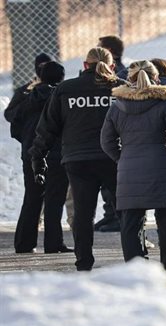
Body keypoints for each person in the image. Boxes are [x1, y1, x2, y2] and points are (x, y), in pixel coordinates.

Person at [101, 60, 166, 283]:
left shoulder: (117, 106)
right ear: (156, 78)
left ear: (130, 79)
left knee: (131, 223)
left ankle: (136, 273)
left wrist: (123, 158)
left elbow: (106, 141)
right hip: (162, 167)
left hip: (129, 170)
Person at [29, 47, 126, 271]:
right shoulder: (121, 89)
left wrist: (38, 156)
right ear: (112, 66)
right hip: (115, 158)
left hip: (77, 159)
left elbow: (47, 127)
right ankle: (136, 257)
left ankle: (84, 262)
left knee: (83, 213)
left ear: (85, 65)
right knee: (127, 210)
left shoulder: (66, 89)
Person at [9, 61, 72, 254]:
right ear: (61, 78)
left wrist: (28, 143)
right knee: (55, 198)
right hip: (56, 153)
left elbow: (14, 123)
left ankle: (23, 243)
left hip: (31, 153)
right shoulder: (61, 97)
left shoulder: (26, 97)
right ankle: (53, 243)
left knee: (32, 197)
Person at [94, 35, 129, 232]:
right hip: (104, 132)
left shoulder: (120, 75)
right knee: (106, 184)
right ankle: (110, 214)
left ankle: (116, 216)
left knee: (113, 180)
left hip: (114, 134)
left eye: (100, 48)